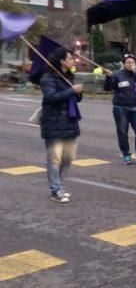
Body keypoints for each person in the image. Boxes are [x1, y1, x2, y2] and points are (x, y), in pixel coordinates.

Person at [40, 48, 83, 203]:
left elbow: (75, 100)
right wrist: (72, 90)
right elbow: (51, 97)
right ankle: (55, 190)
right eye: (70, 58)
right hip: (54, 123)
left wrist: (78, 93)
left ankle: (59, 186)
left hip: (70, 122)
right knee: (54, 159)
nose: (73, 60)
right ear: (62, 61)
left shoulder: (68, 77)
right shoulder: (48, 78)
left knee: (68, 158)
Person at [103, 54, 136, 165]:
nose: (131, 64)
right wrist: (108, 77)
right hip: (120, 108)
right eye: (128, 62)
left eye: (133, 62)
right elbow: (107, 88)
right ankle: (126, 154)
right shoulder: (117, 74)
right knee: (123, 132)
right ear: (124, 64)